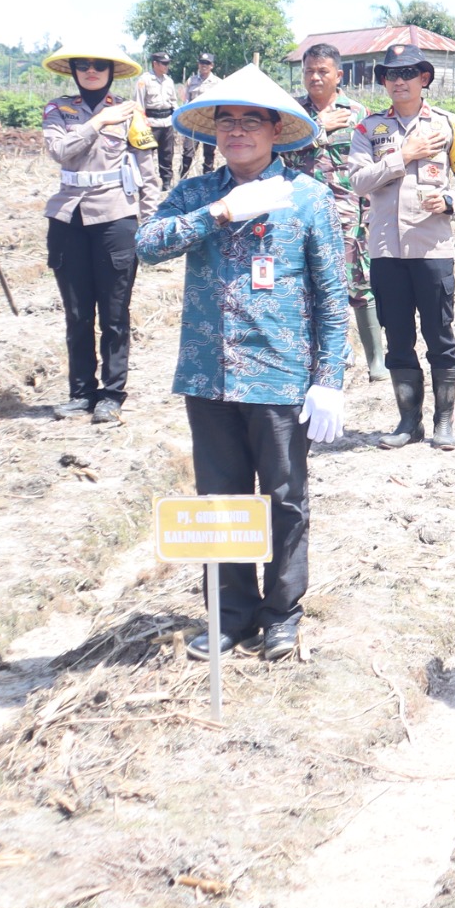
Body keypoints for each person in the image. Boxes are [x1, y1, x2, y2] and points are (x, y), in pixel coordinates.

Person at [138, 65, 351, 662]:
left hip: (280, 373)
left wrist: (329, 380)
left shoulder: (308, 197)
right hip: (208, 375)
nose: (237, 132)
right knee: (221, 501)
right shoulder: (198, 194)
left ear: (274, 129)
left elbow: (334, 298)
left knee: (285, 498)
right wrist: (221, 213)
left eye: (249, 121)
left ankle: (282, 613)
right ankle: (230, 614)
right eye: (226, 121)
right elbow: (147, 246)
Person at [350, 41, 455, 449]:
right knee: (399, 339)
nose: (399, 81)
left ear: (424, 79)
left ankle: (444, 421)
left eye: (408, 73)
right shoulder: (369, 130)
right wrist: (401, 157)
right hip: (387, 251)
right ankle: (409, 422)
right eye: (392, 74)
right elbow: (358, 181)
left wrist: (449, 201)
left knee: (440, 337)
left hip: (433, 249)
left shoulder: (447, 125)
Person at [40, 44, 162, 422]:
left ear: (111, 71)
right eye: (83, 65)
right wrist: (97, 123)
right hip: (68, 218)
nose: (91, 71)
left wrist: (151, 219)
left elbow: (148, 168)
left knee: (114, 312)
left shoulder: (131, 112)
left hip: (116, 217)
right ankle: (81, 392)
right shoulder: (58, 110)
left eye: (98, 65)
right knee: (77, 313)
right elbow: (60, 151)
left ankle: (112, 393)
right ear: (73, 70)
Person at [294, 41, 385, 381]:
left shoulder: (359, 114)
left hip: (347, 210)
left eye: (322, 71)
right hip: (302, 210)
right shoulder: (292, 115)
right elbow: (276, 151)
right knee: (307, 283)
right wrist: (318, 127)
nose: (315, 78)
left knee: (356, 280)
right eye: (309, 71)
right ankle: (327, 354)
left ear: (339, 75)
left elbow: (373, 164)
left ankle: (376, 358)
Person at [132, 49, 183, 184]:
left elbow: (173, 101)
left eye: (167, 64)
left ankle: (166, 182)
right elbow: (138, 104)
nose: (166, 66)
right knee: (147, 155)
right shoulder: (144, 80)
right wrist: (141, 124)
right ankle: (145, 182)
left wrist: (179, 116)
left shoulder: (169, 81)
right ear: (155, 64)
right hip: (151, 123)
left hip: (167, 122)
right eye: (163, 63)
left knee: (167, 154)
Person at [181, 54, 222, 175]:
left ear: (212, 66)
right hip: (193, 122)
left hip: (209, 122)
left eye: (207, 63)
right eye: (202, 63)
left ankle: (207, 178)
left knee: (209, 153)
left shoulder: (218, 83)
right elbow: (186, 102)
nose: (204, 65)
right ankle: (183, 177)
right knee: (188, 152)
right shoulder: (191, 81)